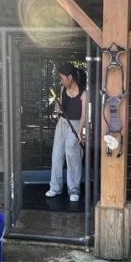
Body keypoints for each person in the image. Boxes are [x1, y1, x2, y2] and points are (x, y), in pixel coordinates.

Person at [46, 62, 87, 203]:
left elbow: (84, 116)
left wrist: (80, 132)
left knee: (72, 154)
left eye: (62, 78)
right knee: (56, 154)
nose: (61, 81)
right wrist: (57, 106)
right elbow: (60, 108)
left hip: (75, 125)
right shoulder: (63, 88)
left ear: (70, 77)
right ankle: (55, 187)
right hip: (62, 123)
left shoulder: (83, 93)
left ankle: (74, 189)